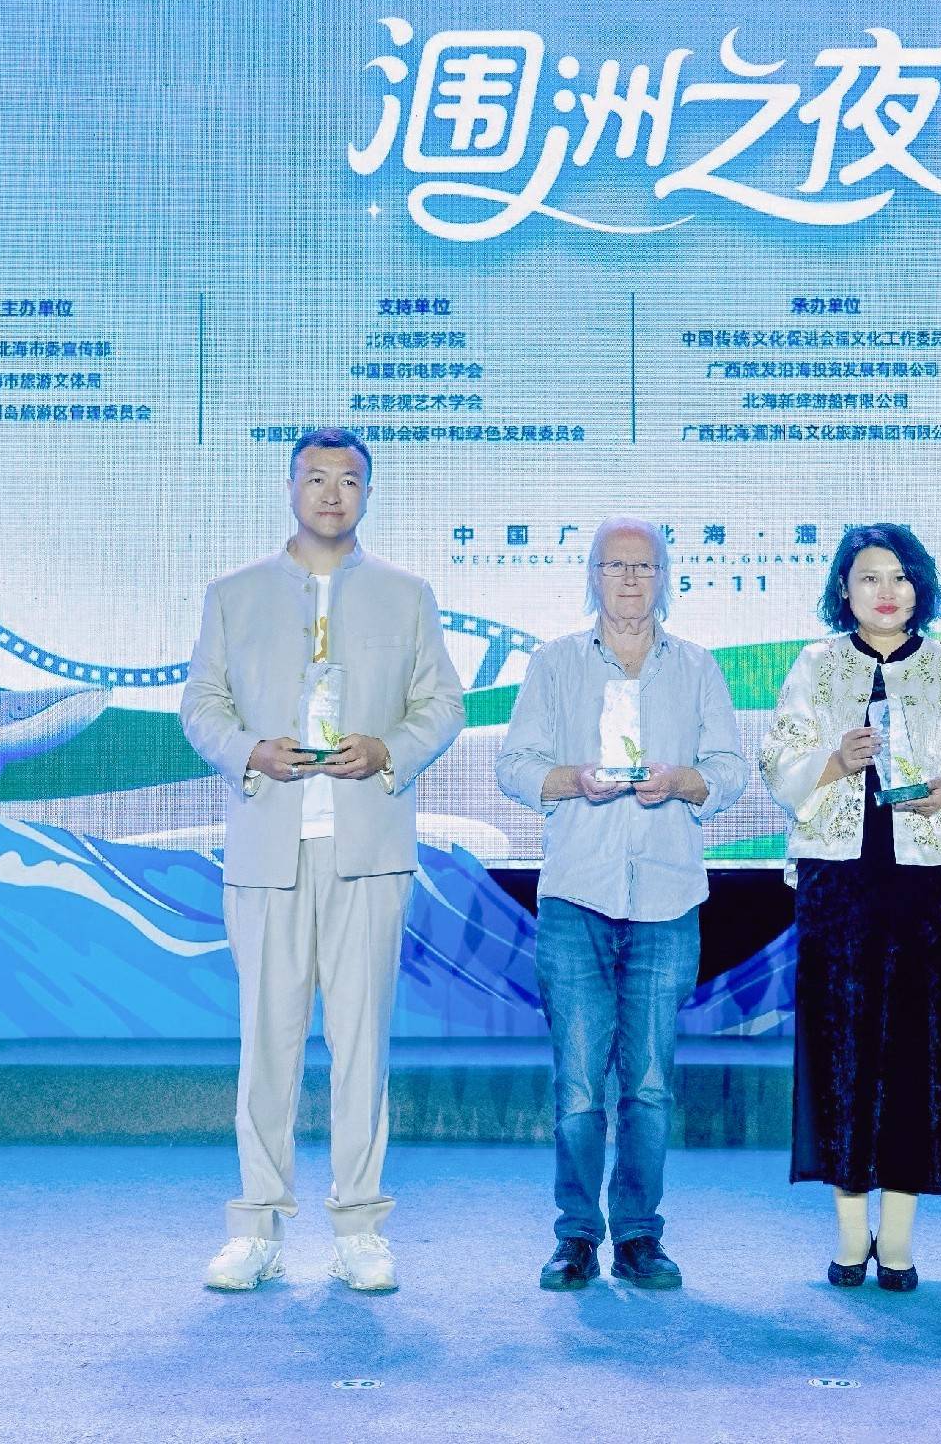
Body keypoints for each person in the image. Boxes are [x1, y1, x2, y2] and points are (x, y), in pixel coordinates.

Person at [180, 427, 466, 1294]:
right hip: (267, 849)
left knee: (360, 1046)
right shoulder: (233, 594)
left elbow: (442, 705)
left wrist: (387, 749)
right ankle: (256, 1229)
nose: (331, 494)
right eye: (316, 478)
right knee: (266, 1048)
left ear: (367, 495)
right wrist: (247, 752)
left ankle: (359, 1228)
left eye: (348, 481)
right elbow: (201, 706)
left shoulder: (406, 595)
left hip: (366, 849)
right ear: (290, 489)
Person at [494, 519, 749, 1292]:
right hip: (577, 895)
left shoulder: (697, 667)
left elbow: (731, 770)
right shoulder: (555, 663)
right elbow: (514, 766)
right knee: (577, 1088)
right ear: (593, 576)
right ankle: (576, 1235)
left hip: (667, 899)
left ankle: (639, 1235)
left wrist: (683, 781)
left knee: (648, 1084)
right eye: (616, 565)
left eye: (645, 566)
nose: (631, 579)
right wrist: (573, 779)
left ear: (666, 577)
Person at [759, 523, 941, 1291]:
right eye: (869, 576)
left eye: (900, 576)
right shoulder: (817, 664)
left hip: (924, 883)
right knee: (840, 1052)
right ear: (845, 589)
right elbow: (777, 757)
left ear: (919, 587)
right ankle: (848, 1233)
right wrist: (834, 760)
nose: (887, 591)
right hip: (838, 882)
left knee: (915, 1055)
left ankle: (896, 1237)